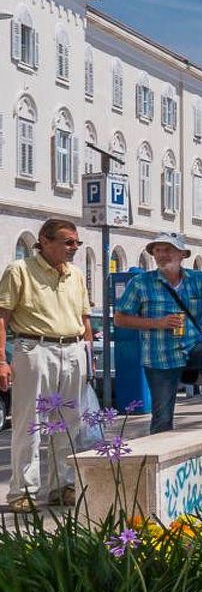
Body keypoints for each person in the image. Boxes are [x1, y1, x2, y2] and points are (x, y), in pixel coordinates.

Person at [0, 218, 96, 511]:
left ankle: (62, 486)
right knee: (29, 422)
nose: (74, 248)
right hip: (34, 348)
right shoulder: (20, 270)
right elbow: (2, 317)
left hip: (73, 349)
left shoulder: (76, 274)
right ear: (44, 240)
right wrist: (1, 360)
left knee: (69, 422)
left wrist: (88, 354)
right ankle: (23, 492)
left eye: (77, 242)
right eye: (68, 242)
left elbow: (84, 318)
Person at [114, 232, 202, 433]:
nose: (162, 255)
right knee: (162, 420)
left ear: (182, 254)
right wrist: (157, 323)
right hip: (160, 358)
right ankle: (161, 447)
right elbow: (120, 319)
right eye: (157, 250)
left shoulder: (198, 279)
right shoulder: (140, 283)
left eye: (168, 250)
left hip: (193, 348)